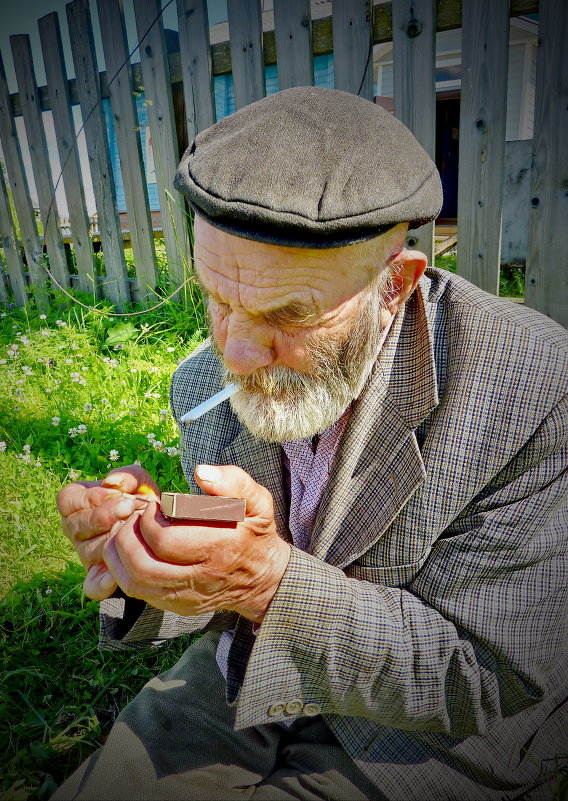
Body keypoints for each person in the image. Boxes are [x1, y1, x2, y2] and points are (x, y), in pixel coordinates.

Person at [53, 87, 567, 801]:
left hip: (426, 743)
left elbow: (485, 672)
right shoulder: (203, 379)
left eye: (288, 313)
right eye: (217, 296)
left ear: (395, 285)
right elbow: (224, 590)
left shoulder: (536, 390)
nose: (233, 351)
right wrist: (154, 554)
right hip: (247, 671)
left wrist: (265, 582)